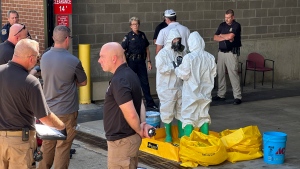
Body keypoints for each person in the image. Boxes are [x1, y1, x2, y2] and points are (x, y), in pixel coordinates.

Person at [0, 39, 66, 169]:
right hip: (20, 143)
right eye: (37, 57)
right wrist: (62, 126)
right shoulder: (31, 82)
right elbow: (44, 116)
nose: (37, 60)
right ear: (31, 58)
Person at [37, 25, 87, 169]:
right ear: (67, 39)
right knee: (63, 146)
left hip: (47, 110)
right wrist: (70, 83)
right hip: (67, 111)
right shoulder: (73, 61)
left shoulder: (44, 57)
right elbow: (83, 82)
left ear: (53, 38)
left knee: (47, 145)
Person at [98, 42, 153, 168]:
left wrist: (140, 129)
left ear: (113, 58)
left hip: (122, 143)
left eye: (102, 56)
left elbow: (132, 114)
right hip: (128, 139)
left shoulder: (120, 80)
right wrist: (142, 124)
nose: (99, 60)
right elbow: (140, 103)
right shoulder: (130, 74)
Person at [174, 31, 217, 136]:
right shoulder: (210, 57)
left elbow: (184, 75)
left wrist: (177, 68)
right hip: (205, 93)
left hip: (191, 94)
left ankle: (189, 145)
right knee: (204, 116)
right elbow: (214, 73)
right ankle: (204, 141)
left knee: (189, 117)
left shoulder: (189, 58)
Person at [155, 28, 186, 142]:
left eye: (179, 39)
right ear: (170, 40)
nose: (177, 41)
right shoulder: (162, 54)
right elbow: (162, 68)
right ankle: (168, 135)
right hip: (166, 87)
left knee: (181, 110)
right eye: (175, 39)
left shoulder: (180, 52)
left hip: (179, 86)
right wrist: (174, 67)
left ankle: (181, 133)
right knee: (167, 111)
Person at [121, 16, 158, 110]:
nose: (135, 26)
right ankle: (132, 103)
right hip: (131, 62)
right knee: (132, 83)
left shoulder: (142, 35)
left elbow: (147, 48)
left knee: (145, 82)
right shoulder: (128, 37)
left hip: (141, 61)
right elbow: (122, 50)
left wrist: (149, 61)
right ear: (130, 26)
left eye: (137, 24)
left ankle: (150, 103)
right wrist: (125, 64)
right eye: (133, 24)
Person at [213, 9, 242, 105]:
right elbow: (215, 37)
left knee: (233, 74)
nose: (227, 19)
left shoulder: (236, 25)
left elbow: (231, 36)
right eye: (225, 17)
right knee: (220, 73)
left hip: (231, 53)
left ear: (233, 17)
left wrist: (222, 35)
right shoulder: (222, 25)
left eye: (229, 18)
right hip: (221, 53)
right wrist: (225, 36)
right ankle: (221, 94)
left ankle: (237, 96)